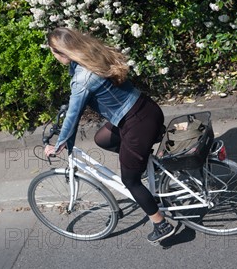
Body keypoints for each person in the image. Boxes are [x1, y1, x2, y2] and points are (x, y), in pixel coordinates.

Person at [43, 27, 176, 243]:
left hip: (136, 124)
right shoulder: (94, 53)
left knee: (130, 180)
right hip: (146, 109)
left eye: (53, 53)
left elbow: (73, 117)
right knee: (102, 138)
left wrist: (59, 144)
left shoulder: (82, 78)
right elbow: (75, 107)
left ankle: (161, 224)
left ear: (63, 52)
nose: (54, 57)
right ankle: (144, 163)